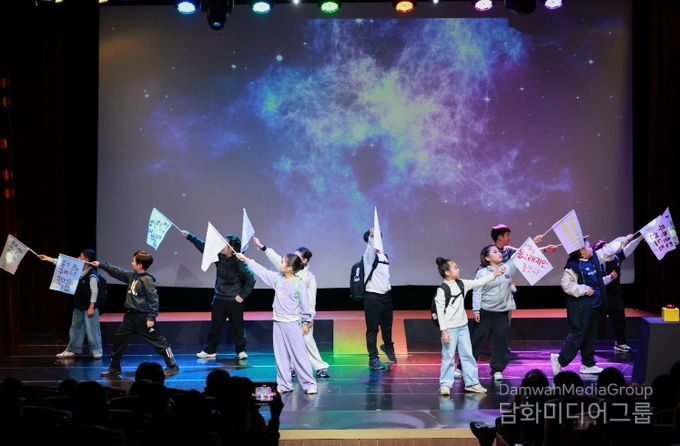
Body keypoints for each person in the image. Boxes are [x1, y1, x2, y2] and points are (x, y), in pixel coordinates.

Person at [234, 251, 317, 394]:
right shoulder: (277, 279)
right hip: (278, 324)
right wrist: (246, 259)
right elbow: (261, 270)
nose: (281, 263)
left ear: (290, 268)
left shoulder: (299, 284)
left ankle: (309, 384)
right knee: (281, 356)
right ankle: (285, 385)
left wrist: (306, 323)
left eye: (283, 262)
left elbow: (305, 306)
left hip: (293, 325)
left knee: (299, 356)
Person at [550, 236, 630, 376]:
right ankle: (560, 359)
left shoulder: (594, 258)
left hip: (595, 304)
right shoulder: (573, 266)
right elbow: (566, 285)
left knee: (591, 334)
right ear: (581, 251)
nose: (591, 248)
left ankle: (588, 364)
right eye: (588, 246)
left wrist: (625, 239)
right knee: (579, 333)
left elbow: (609, 249)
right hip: (580, 306)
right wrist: (584, 289)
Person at [92, 251, 179, 377]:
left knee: (159, 342)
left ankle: (173, 366)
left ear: (140, 265)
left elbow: (153, 300)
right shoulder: (132, 276)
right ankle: (114, 368)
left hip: (143, 317)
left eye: (133, 261)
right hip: (130, 317)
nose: (131, 263)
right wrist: (101, 265)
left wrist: (151, 317)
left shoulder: (147, 280)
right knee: (119, 339)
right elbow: (117, 272)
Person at [253, 237, 330, 379]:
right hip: (288, 316)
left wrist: (309, 318)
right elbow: (276, 259)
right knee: (288, 344)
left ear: (304, 260)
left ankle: (320, 367)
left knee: (307, 342)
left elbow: (310, 299)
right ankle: (293, 368)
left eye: (298, 257)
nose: (293, 258)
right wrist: (262, 247)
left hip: (302, 317)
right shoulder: (287, 271)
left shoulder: (308, 277)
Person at [180, 230, 255, 360]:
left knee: (237, 327)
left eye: (225, 244)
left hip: (234, 300)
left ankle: (241, 350)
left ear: (231, 248)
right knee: (215, 327)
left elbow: (251, 280)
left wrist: (242, 296)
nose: (221, 245)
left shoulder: (239, 262)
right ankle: (210, 350)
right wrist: (189, 237)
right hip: (219, 298)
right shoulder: (219, 257)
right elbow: (205, 247)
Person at [434, 256, 504, 396]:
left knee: (467, 355)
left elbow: (478, 282)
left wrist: (494, 275)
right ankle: (445, 385)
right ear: (447, 272)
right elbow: (440, 312)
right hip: (450, 328)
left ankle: (472, 383)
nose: (458, 269)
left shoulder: (461, 283)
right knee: (448, 356)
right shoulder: (442, 290)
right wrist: (444, 331)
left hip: (463, 327)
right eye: (455, 268)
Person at [38, 249, 103, 359]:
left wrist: (91, 307)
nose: (78, 258)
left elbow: (94, 293)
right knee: (75, 328)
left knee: (92, 329)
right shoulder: (77, 270)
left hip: (89, 307)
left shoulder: (92, 276)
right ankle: (72, 350)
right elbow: (62, 264)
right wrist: (47, 258)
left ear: (87, 261)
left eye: (81, 257)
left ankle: (96, 350)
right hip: (78, 306)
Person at [470, 245, 520, 381]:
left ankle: (497, 369)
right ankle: (464, 367)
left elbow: (520, 256)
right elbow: (477, 291)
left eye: (499, 251)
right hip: (485, 311)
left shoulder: (507, 268)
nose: (499, 253)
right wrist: (476, 310)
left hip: (502, 312)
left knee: (500, 341)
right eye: (495, 252)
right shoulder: (482, 272)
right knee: (476, 340)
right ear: (487, 258)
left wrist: (534, 243)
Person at [592, 235, 643, 352]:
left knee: (620, 320)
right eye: (604, 248)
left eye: (607, 246)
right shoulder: (596, 263)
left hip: (615, 296)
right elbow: (596, 282)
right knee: (594, 322)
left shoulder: (616, 258)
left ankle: (620, 343)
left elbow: (628, 248)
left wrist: (639, 238)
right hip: (600, 297)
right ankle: (587, 343)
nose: (608, 249)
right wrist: (610, 277)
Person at [362, 228, 394, 371]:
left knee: (387, 327)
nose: (378, 241)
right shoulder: (369, 255)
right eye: (376, 239)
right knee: (372, 329)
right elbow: (370, 247)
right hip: (372, 297)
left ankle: (387, 346)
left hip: (386, 297)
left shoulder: (383, 256)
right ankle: (373, 358)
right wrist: (371, 236)